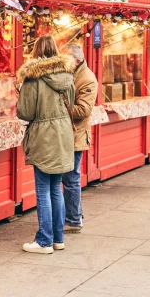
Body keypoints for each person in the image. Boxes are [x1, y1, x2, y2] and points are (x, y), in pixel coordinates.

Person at [17, 35, 75, 254]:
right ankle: (58, 238)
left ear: (36, 52)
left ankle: (44, 241)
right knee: (56, 189)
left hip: (43, 134)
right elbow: (72, 100)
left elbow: (25, 112)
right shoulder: (67, 75)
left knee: (42, 189)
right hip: (63, 134)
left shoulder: (33, 78)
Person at [61, 44, 97, 233]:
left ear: (76, 60)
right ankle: (75, 217)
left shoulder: (87, 79)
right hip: (68, 134)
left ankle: (73, 220)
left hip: (75, 135)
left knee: (71, 178)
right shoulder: (74, 73)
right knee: (69, 178)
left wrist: (60, 105)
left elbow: (83, 111)